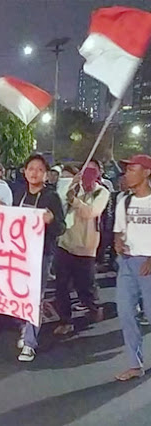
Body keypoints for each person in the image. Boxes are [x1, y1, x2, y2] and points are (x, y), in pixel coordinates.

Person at [13, 154, 65, 362]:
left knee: (35, 296)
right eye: (31, 168)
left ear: (46, 174)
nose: (35, 173)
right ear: (24, 172)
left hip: (41, 254)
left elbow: (61, 228)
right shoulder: (19, 193)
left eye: (40, 169)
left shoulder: (52, 197)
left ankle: (30, 343)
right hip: (18, 252)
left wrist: (51, 221)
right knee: (19, 294)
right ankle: (25, 328)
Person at [53, 159, 108, 335]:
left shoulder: (101, 192)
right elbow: (60, 207)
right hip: (65, 243)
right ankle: (65, 320)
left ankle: (93, 307)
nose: (88, 174)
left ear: (99, 173)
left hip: (86, 246)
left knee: (85, 286)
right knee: (61, 285)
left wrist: (75, 200)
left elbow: (91, 212)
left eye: (93, 170)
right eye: (86, 170)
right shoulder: (73, 187)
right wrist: (71, 188)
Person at [113, 154, 151, 381]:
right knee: (126, 313)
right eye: (126, 170)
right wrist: (118, 242)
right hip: (127, 263)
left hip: (148, 265)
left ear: (146, 172)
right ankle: (135, 364)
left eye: (132, 170)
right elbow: (118, 231)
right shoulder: (124, 201)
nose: (127, 174)